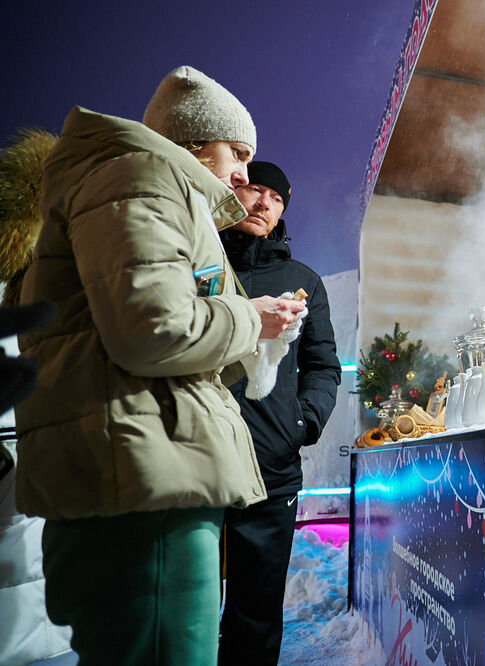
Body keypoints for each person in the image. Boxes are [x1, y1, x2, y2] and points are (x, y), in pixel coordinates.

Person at [14, 66, 305, 665]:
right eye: (238, 152)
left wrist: (258, 339)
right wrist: (249, 318)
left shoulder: (133, 183)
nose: (246, 175)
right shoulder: (142, 177)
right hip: (146, 483)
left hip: (141, 471)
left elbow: (146, 332)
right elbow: (153, 330)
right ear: (195, 142)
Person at [218, 161, 341, 665]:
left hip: (271, 461)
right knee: (188, 598)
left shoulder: (301, 280)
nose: (265, 202)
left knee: (256, 603)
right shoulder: (198, 263)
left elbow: (322, 364)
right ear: (233, 191)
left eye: (277, 198)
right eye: (256, 189)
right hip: (194, 455)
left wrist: (304, 421)